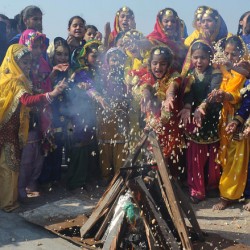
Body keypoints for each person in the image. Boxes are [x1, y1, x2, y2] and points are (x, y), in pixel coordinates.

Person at [0, 44, 67, 212]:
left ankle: (11, 199)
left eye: (29, 63)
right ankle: (7, 203)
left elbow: (34, 93)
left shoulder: (22, 80)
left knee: (14, 165)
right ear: (13, 62)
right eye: (24, 62)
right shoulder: (13, 81)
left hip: (15, 130)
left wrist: (50, 90)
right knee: (9, 166)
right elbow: (27, 100)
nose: (28, 66)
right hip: (7, 129)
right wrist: (51, 95)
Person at [209, 36, 250, 210]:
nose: (229, 57)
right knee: (228, 157)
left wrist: (237, 119)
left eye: (234, 54)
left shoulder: (244, 69)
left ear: (242, 54)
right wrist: (215, 97)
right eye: (226, 53)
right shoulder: (224, 72)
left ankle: (230, 195)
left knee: (239, 159)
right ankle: (234, 194)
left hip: (242, 119)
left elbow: (243, 97)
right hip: (227, 118)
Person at [179, 40, 222, 203]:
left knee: (213, 156)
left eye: (203, 58)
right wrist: (188, 107)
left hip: (210, 117)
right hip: (195, 120)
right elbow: (188, 94)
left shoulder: (215, 74)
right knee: (195, 157)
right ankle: (197, 190)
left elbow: (213, 91)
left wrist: (203, 106)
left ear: (210, 58)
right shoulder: (190, 75)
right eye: (196, 57)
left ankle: (212, 186)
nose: (199, 61)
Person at [135, 46, 184, 178]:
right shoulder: (147, 76)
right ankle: (154, 179)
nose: (158, 67)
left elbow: (172, 87)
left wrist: (169, 97)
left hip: (170, 126)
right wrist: (146, 96)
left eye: (162, 64)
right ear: (150, 64)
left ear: (168, 65)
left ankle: (172, 182)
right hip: (153, 123)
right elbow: (145, 87)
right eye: (155, 63)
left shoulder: (174, 76)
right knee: (152, 150)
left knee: (171, 153)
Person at [18, 29, 54, 200]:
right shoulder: (18, 67)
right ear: (25, 45)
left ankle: (33, 183)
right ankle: (20, 187)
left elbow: (45, 84)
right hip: (24, 116)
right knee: (25, 155)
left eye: (40, 47)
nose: (38, 51)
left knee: (39, 152)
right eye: (34, 46)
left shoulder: (42, 64)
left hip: (41, 113)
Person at [66, 40, 106, 191]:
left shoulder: (98, 71)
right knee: (80, 145)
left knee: (90, 144)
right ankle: (75, 182)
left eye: (99, 57)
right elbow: (88, 86)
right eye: (94, 56)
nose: (97, 60)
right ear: (85, 56)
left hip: (91, 113)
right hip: (78, 113)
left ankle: (86, 179)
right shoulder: (80, 71)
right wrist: (99, 97)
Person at [39, 37, 71, 188]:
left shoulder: (70, 73)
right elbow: (44, 88)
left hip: (66, 115)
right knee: (48, 147)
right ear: (52, 55)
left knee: (60, 145)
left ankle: (56, 179)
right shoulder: (47, 71)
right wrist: (53, 74)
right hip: (50, 115)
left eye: (65, 54)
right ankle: (44, 180)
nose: (63, 57)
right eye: (59, 54)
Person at [97, 47, 129, 182]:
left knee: (121, 146)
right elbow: (91, 89)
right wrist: (98, 97)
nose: (116, 63)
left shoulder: (127, 77)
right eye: (113, 60)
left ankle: (119, 178)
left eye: (120, 60)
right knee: (105, 146)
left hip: (121, 117)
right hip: (105, 117)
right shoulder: (102, 77)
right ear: (108, 61)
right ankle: (105, 176)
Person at [225, 79, 250, 211]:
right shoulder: (247, 83)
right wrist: (236, 122)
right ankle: (232, 195)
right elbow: (247, 104)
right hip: (245, 128)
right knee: (240, 161)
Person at [147, 8, 187, 72]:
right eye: (166, 21)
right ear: (160, 23)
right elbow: (144, 44)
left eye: (173, 21)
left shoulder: (182, 43)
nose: (170, 24)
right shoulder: (153, 39)